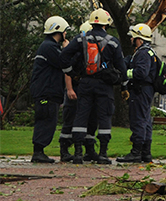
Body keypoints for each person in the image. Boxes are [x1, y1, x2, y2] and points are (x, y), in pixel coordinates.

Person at [61, 9, 125, 164]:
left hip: (85, 83)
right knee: (104, 117)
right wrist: (123, 85)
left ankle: (77, 154)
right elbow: (121, 68)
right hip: (104, 85)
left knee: (81, 116)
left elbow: (64, 56)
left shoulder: (81, 39)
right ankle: (103, 154)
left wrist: (72, 72)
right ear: (106, 24)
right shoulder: (112, 41)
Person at [29, 16, 70, 163]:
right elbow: (63, 63)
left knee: (46, 119)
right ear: (58, 30)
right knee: (46, 119)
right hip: (47, 91)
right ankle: (38, 152)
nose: (66, 34)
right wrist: (67, 50)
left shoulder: (47, 46)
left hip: (45, 90)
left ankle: (39, 151)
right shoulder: (50, 47)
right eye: (65, 31)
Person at [117, 23, 157, 163]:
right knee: (145, 121)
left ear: (139, 38)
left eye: (133, 37)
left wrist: (125, 73)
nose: (131, 39)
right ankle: (145, 153)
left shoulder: (143, 53)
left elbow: (141, 73)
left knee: (138, 121)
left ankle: (136, 153)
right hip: (146, 90)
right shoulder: (149, 52)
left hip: (140, 90)